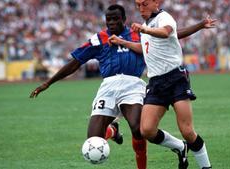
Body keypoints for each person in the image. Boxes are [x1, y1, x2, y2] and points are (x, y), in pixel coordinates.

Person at [30, 3, 215, 169]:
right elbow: (75, 62)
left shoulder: (139, 32)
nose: (111, 23)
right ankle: (113, 130)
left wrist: (199, 26)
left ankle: (156, 159)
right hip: (108, 87)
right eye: (108, 20)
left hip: (133, 84)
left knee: (139, 129)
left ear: (124, 20)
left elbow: (173, 34)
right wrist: (48, 83)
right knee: (93, 140)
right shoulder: (98, 39)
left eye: (115, 19)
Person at [109, 0, 216, 169]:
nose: (141, 8)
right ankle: (180, 147)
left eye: (144, 4)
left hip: (175, 79)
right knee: (147, 130)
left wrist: (144, 29)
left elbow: (165, 32)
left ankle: (206, 167)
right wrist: (123, 43)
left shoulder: (164, 18)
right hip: (156, 83)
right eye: (138, 5)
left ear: (155, 2)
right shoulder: (147, 25)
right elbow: (145, 48)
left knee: (187, 131)